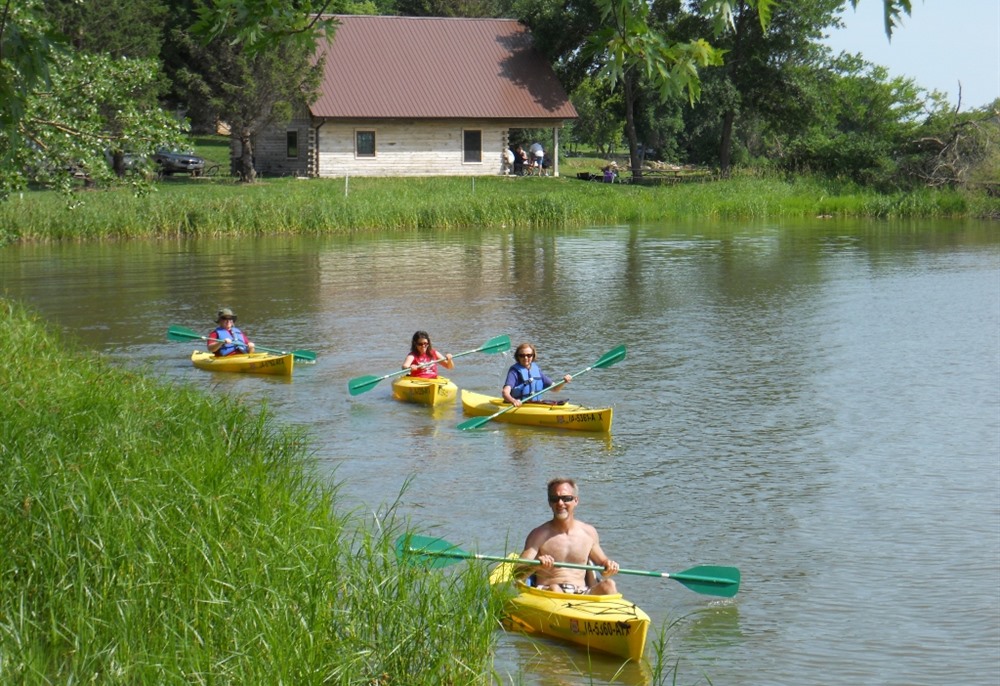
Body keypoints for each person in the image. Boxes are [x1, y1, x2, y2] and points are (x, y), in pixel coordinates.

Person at [517, 478, 620, 595]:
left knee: (609, 585)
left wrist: (609, 566)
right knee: (555, 588)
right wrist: (535, 565)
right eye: (555, 499)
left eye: (566, 499)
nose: (560, 503)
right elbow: (517, 573)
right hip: (549, 591)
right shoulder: (538, 535)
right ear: (549, 502)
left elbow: (603, 568)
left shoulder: (589, 533)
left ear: (576, 501)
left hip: (581, 593)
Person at [501, 342, 570, 406]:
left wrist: (564, 381)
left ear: (533, 356)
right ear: (518, 356)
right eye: (522, 355)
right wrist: (513, 401)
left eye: (529, 355)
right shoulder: (514, 371)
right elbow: (505, 392)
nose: (525, 358)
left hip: (535, 404)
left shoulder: (536, 370)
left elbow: (555, 389)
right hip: (518, 405)